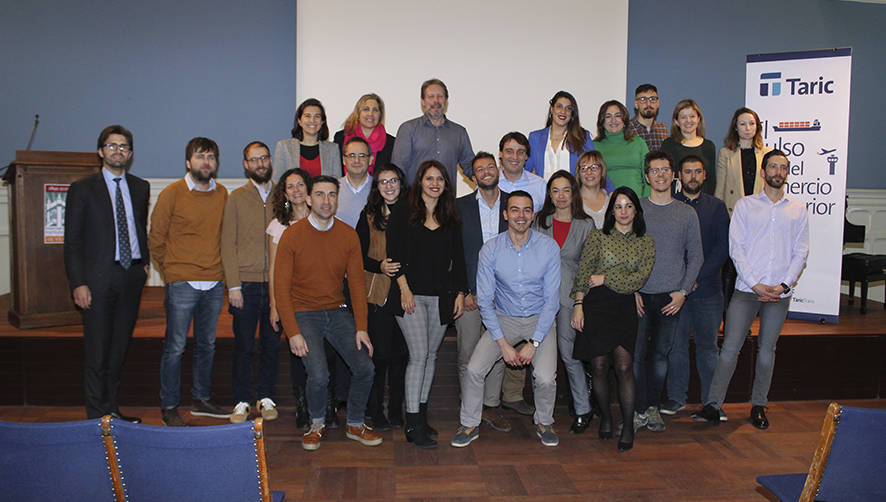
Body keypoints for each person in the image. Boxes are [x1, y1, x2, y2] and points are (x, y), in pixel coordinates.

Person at [695, 150, 809, 429]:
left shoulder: (798, 209)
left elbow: (801, 250)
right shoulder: (745, 206)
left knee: (767, 350)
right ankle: (713, 405)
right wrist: (756, 284)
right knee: (729, 348)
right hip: (747, 289)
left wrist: (783, 285)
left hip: (779, 294)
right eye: (773, 167)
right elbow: (737, 249)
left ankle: (759, 404)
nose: (778, 172)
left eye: (783, 167)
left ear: (787, 173)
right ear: (763, 171)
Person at [274, 175, 382, 451]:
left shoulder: (348, 235)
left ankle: (355, 423)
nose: (326, 200)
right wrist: (292, 332)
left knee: (365, 367)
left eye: (332, 195)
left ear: (337, 198)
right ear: (309, 199)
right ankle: (317, 423)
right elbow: (281, 288)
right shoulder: (292, 235)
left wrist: (361, 327)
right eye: (320, 195)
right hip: (303, 313)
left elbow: (357, 284)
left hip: (337, 311)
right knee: (319, 375)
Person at [451, 191, 561, 448]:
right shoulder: (490, 249)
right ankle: (469, 424)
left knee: (545, 377)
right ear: (505, 215)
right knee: (475, 369)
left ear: (532, 214)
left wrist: (533, 344)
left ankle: (544, 420)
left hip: (539, 319)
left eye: (526, 210)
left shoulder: (548, 248)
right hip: (504, 318)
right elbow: (486, 302)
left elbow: (551, 303)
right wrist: (504, 346)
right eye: (515, 210)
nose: (520, 216)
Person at [64, 124, 149, 423]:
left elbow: (139, 227)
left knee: (118, 350)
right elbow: (72, 242)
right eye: (112, 146)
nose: (118, 151)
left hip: (130, 277)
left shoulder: (141, 187)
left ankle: (111, 411)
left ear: (130, 153)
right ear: (101, 151)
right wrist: (79, 283)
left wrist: (145, 263)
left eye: (124, 146)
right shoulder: (82, 189)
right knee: (97, 351)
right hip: (97, 281)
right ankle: (94, 416)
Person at [150, 137, 230, 426]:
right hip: (182, 282)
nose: (206, 162)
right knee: (175, 347)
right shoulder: (172, 193)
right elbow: (156, 239)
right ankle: (169, 405)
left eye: (211, 157)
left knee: (207, 345)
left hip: (213, 284)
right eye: (200, 156)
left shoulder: (222, 194)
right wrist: (172, 271)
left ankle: (201, 399)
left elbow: (224, 238)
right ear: (188, 162)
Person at [387, 159, 467, 448]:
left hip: (441, 297)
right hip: (409, 296)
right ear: (419, 181)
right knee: (419, 355)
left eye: (440, 179)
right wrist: (404, 288)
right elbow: (393, 254)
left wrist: (460, 292)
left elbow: (458, 258)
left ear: (446, 184)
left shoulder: (451, 215)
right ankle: (412, 423)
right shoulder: (402, 212)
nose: (435, 183)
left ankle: (421, 415)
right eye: (429, 178)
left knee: (431, 355)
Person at [571, 186, 655, 452]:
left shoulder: (646, 242)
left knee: (624, 367)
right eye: (618, 206)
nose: (623, 212)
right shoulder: (598, 236)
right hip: (595, 306)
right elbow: (584, 272)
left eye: (629, 206)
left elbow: (639, 279)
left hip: (623, 308)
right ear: (611, 211)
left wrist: (606, 278)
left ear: (636, 211)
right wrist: (578, 305)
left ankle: (628, 425)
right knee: (597, 367)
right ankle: (606, 417)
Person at [455, 153, 529, 434]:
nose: (485, 172)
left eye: (489, 167)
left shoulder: (514, 204)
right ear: (471, 177)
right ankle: (470, 410)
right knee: (467, 354)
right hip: (471, 296)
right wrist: (464, 291)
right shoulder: (459, 207)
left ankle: (491, 406)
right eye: (479, 170)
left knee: (500, 352)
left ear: (497, 170)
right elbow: (456, 253)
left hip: (505, 297)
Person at [633, 151, 703, 434]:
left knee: (660, 356)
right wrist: (631, 290)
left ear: (673, 175)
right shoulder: (635, 209)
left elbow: (696, 256)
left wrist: (683, 292)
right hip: (638, 296)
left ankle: (652, 407)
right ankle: (637, 410)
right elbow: (623, 254)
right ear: (647, 176)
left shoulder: (687, 213)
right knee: (636, 356)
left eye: (665, 170)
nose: (660, 175)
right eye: (654, 170)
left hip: (670, 299)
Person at [661, 156, 730, 418]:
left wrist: (696, 277)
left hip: (708, 291)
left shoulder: (717, 207)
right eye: (687, 171)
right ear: (679, 175)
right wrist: (684, 281)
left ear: (704, 176)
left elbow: (723, 248)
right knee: (675, 347)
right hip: (676, 291)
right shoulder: (670, 205)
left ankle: (712, 403)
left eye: (697, 172)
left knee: (708, 348)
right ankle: (676, 398)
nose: (692, 176)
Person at [220, 141, 280, 423]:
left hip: (275, 285)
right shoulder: (235, 198)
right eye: (254, 160)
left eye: (264, 158)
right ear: (246, 164)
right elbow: (226, 244)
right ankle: (242, 400)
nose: (260, 164)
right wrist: (233, 285)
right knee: (244, 345)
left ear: (270, 161)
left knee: (271, 344)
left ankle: (266, 397)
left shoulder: (283, 196)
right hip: (244, 285)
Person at [532, 171, 596, 434]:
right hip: (540, 300)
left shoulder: (586, 224)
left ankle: (583, 409)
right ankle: (541, 414)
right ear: (549, 194)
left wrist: (580, 302)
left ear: (574, 193)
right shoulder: (539, 221)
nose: (560, 196)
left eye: (566, 190)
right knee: (539, 359)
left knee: (570, 357)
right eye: (555, 190)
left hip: (572, 299)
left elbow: (589, 266)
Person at [355, 163, 410, 430]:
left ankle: (397, 411)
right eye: (383, 182)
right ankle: (375, 411)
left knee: (401, 356)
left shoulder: (414, 214)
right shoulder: (368, 215)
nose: (389, 186)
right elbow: (356, 256)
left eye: (393, 181)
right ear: (376, 187)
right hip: (376, 295)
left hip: (405, 296)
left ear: (401, 183)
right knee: (379, 357)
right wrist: (380, 266)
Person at [266, 168, 312, 428]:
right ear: (284, 194)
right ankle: (302, 406)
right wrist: (274, 305)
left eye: (300, 185)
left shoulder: (322, 217)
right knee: (299, 353)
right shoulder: (278, 225)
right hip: (291, 300)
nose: (296, 190)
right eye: (290, 187)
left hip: (319, 299)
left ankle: (324, 405)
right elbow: (273, 268)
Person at [392, 78, 474, 184]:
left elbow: (469, 166)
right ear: (423, 101)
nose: (436, 100)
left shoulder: (459, 133)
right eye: (431, 96)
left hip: (447, 199)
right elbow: (398, 169)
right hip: (414, 199)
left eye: (440, 96)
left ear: (446, 100)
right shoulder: (408, 129)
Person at [525, 90, 595, 183]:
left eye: (568, 108)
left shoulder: (583, 137)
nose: (563, 111)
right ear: (552, 109)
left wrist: (612, 192)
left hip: (573, 195)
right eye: (559, 106)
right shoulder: (535, 138)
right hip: (543, 196)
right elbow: (525, 171)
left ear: (572, 113)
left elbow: (596, 168)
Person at [715, 107, 773, 216]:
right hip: (734, 212)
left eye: (752, 123)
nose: (748, 128)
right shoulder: (725, 153)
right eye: (742, 124)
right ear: (735, 127)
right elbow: (720, 189)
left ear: (757, 127)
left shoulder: (767, 154)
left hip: (760, 212)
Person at [594, 100, 650, 197]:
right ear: (602, 121)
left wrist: (645, 201)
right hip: (606, 203)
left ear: (624, 120)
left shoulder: (638, 143)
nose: (613, 120)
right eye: (608, 116)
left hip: (637, 202)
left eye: (617, 115)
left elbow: (649, 175)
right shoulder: (594, 146)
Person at [274, 98, 342, 179]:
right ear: (299, 121)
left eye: (317, 116)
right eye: (307, 116)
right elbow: (277, 181)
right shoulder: (284, 147)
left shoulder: (333, 149)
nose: (312, 120)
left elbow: (336, 183)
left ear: (322, 121)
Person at [660, 99, 717, 194]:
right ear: (676, 121)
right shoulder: (668, 145)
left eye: (692, 116)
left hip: (702, 200)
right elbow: (664, 176)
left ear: (698, 119)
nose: (688, 121)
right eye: (683, 117)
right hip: (676, 200)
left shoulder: (709, 146)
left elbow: (711, 180)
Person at [333, 93, 395, 175]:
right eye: (366, 109)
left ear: (380, 115)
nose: (370, 114)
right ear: (358, 113)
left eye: (375, 110)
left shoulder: (391, 143)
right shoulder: (341, 138)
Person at [496, 131, 546, 212]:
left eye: (520, 152)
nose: (515, 157)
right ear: (500, 154)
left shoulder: (540, 186)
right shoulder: (489, 183)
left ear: (526, 156)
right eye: (509, 151)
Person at [336, 137, 373, 228]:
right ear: (344, 160)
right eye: (352, 155)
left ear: (371, 160)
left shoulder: (380, 188)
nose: (357, 160)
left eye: (362, 155)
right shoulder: (333, 189)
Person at [627, 83, 669, 152]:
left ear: (658, 103)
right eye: (643, 99)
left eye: (652, 99)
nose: (648, 103)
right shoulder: (627, 129)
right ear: (636, 104)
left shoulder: (663, 129)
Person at [576, 151, 611, 228]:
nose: (589, 172)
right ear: (579, 173)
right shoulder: (573, 202)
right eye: (584, 168)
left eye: (594, 167)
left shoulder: (611, 200)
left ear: (602, 170)